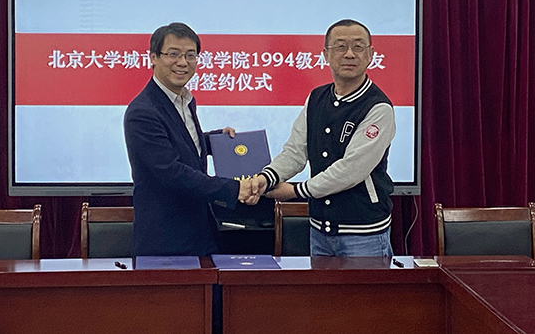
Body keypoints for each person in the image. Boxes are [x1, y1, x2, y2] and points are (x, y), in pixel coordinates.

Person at [254, 19, 396, 257]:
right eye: (340, 46)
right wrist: (267, 177)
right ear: (325, 55)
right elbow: (295, 152)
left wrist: (296, 191)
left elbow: (351, 170)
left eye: (358, 47)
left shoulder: (378, 107)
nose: (349, 54)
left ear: (371, 55)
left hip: (363, 233)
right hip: (320, 230)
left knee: (366, 285)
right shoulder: (316, 98)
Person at [124, 22, 260, 257]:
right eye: (173, 54)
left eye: (190, 55)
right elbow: (171, 172)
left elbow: (181, 143)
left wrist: (213, 141)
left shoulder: (184, 100)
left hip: (200, 232)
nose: (183, 62)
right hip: (166, 240)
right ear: (153, 57)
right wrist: (235, 188)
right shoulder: (143, 112)